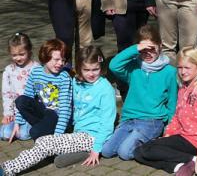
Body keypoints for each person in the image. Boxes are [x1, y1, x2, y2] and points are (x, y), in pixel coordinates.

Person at [0, 46, 116, 175]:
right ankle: (78, 154)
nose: (91, 73)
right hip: (77, 132)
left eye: (96, 69)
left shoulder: (105, 89)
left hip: (93, 136)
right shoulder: (78, 82)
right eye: (86, 69)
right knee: (50, 146)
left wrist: (96, 148)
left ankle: (7, 169)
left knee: (44, 142)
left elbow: (107, 123)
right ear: (79, 69)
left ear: (102, 67)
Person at [134, 46, 197, 176]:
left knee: (148, 150)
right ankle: (179, 166)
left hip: (196, 142)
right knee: (138, 152)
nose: (182, 72)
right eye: (180, 67)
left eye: (187, 68)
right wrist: (168, 134)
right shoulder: (184, 87)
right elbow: (177, 116)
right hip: (182, 136)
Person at [102, 25, 178, 160]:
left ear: (160, 46)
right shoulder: (134, 68)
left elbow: (172, 101)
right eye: (143, 50)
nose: (148, 54)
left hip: (152, 120)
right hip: (129, 119)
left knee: (124, 153)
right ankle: (140, 140)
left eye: (152, 49)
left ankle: (153, 143)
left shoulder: (169, 72)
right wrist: (136, 48)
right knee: (107, 151)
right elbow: (114, 65)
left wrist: (170, 126)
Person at [11, 39, 71, 141]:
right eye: (56, 59)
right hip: (44, 111)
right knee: (20, 100)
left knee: (34, 132)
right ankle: (43, 127)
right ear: (45, 58)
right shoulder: (36, 72)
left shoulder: (64, 77)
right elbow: (28, 95)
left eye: (63, 60)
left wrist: (58, 135)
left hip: (57, 115)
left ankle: (47, 131)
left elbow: (65, 109)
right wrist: (17, 123)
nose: (60, 63)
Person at [1, 33, 38, 141]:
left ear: (29, 51)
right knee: (4, 134)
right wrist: (8, 113)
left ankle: (30, 125)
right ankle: (13, 125)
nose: (18, 58)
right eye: (14, 55)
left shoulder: (36, 69)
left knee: (23, 135)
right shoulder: (9, 70)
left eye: (22, 54)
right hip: (15, 112)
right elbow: (6, 94)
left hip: (30, 112)